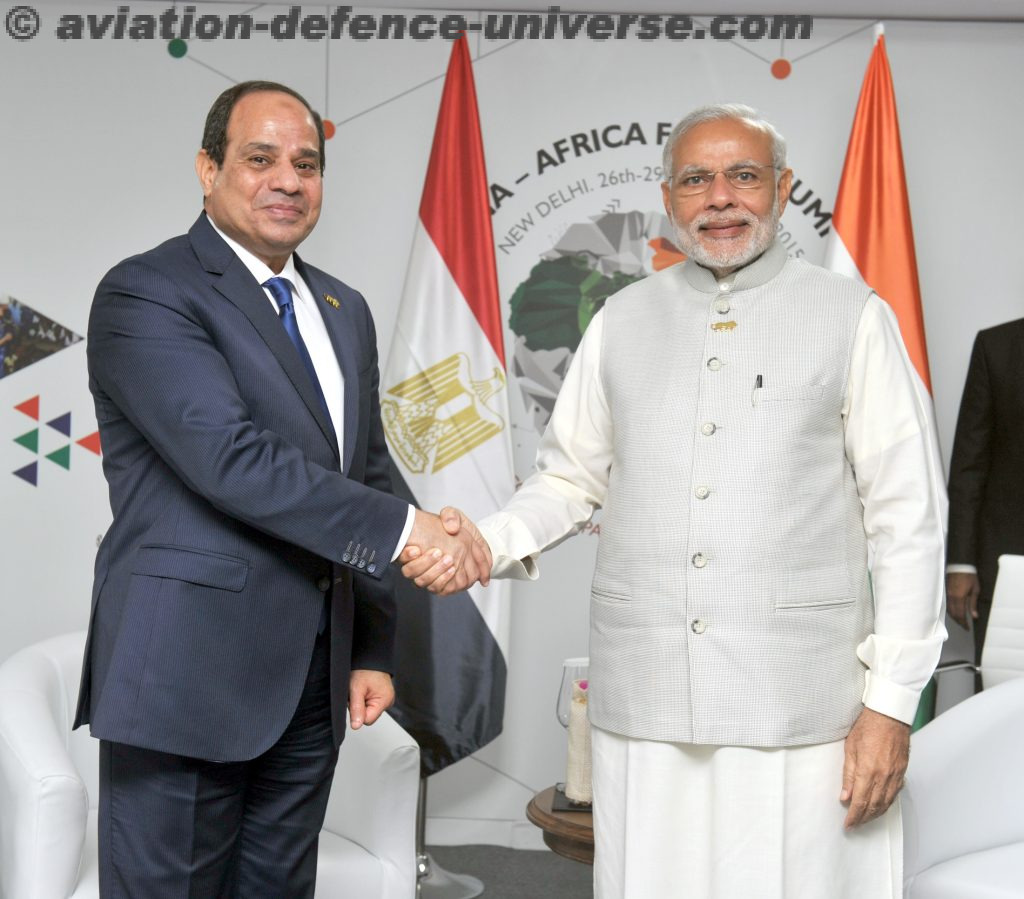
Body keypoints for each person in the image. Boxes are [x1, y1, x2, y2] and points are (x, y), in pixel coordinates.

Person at [402, 104, 946, 898]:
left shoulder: (853, 317)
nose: (720, 196)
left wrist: (891, 706)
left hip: (800, 706)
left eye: (743, 175)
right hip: (645, 696)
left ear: (784, 189)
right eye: (697, 179)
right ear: (669, 198)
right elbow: (568, 477)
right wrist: (488, 541)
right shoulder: (621, 320)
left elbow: (908, 518)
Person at [74, 80, 485, 898]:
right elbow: (231, 458)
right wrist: (414, 533)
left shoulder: (342, 308)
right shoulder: (146, 292)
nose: (287, 181)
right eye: (259, 159)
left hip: (312, 682)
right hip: (186, 679)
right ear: (207, 167)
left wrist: (370, 643)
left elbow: (360, 471)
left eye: (307, 163)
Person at [946, 317, 1024, 673]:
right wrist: (961, 562)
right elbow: (969, 464)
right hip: (1010, 577)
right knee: (1003, 715)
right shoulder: (998, 346)